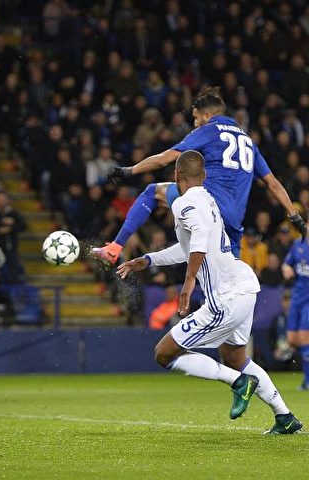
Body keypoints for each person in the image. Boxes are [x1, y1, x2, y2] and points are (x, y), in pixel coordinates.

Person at [117, 150, 302, 435]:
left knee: (163, 354)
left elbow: (199, 238)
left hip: (224, 298)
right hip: (244, 287)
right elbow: (189, 245)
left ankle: (239, 383)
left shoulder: (183, 204)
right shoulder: (208, 200)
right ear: (203, 177)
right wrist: (150, 259)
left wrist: (189, 281)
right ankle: (284, 416)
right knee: (237, 359)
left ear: (176, 176)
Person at [94, 87, 306, 264]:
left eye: (196, 118)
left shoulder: (209, 130)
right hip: (233, 221)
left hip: (206, 207)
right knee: (228, 284)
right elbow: (273, 183)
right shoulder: (249, 141)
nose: (195, 123)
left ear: (207, 115)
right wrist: (294, 216)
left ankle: (115, 247)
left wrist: (128, 171)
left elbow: (164, 159)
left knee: (152, 192)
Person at [281, 226, 309, 390]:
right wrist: (286, 268)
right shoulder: (298, 244)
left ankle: (307, 381)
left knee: (304, 338)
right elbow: (287, 263)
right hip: (296, 298)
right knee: (292, 339)